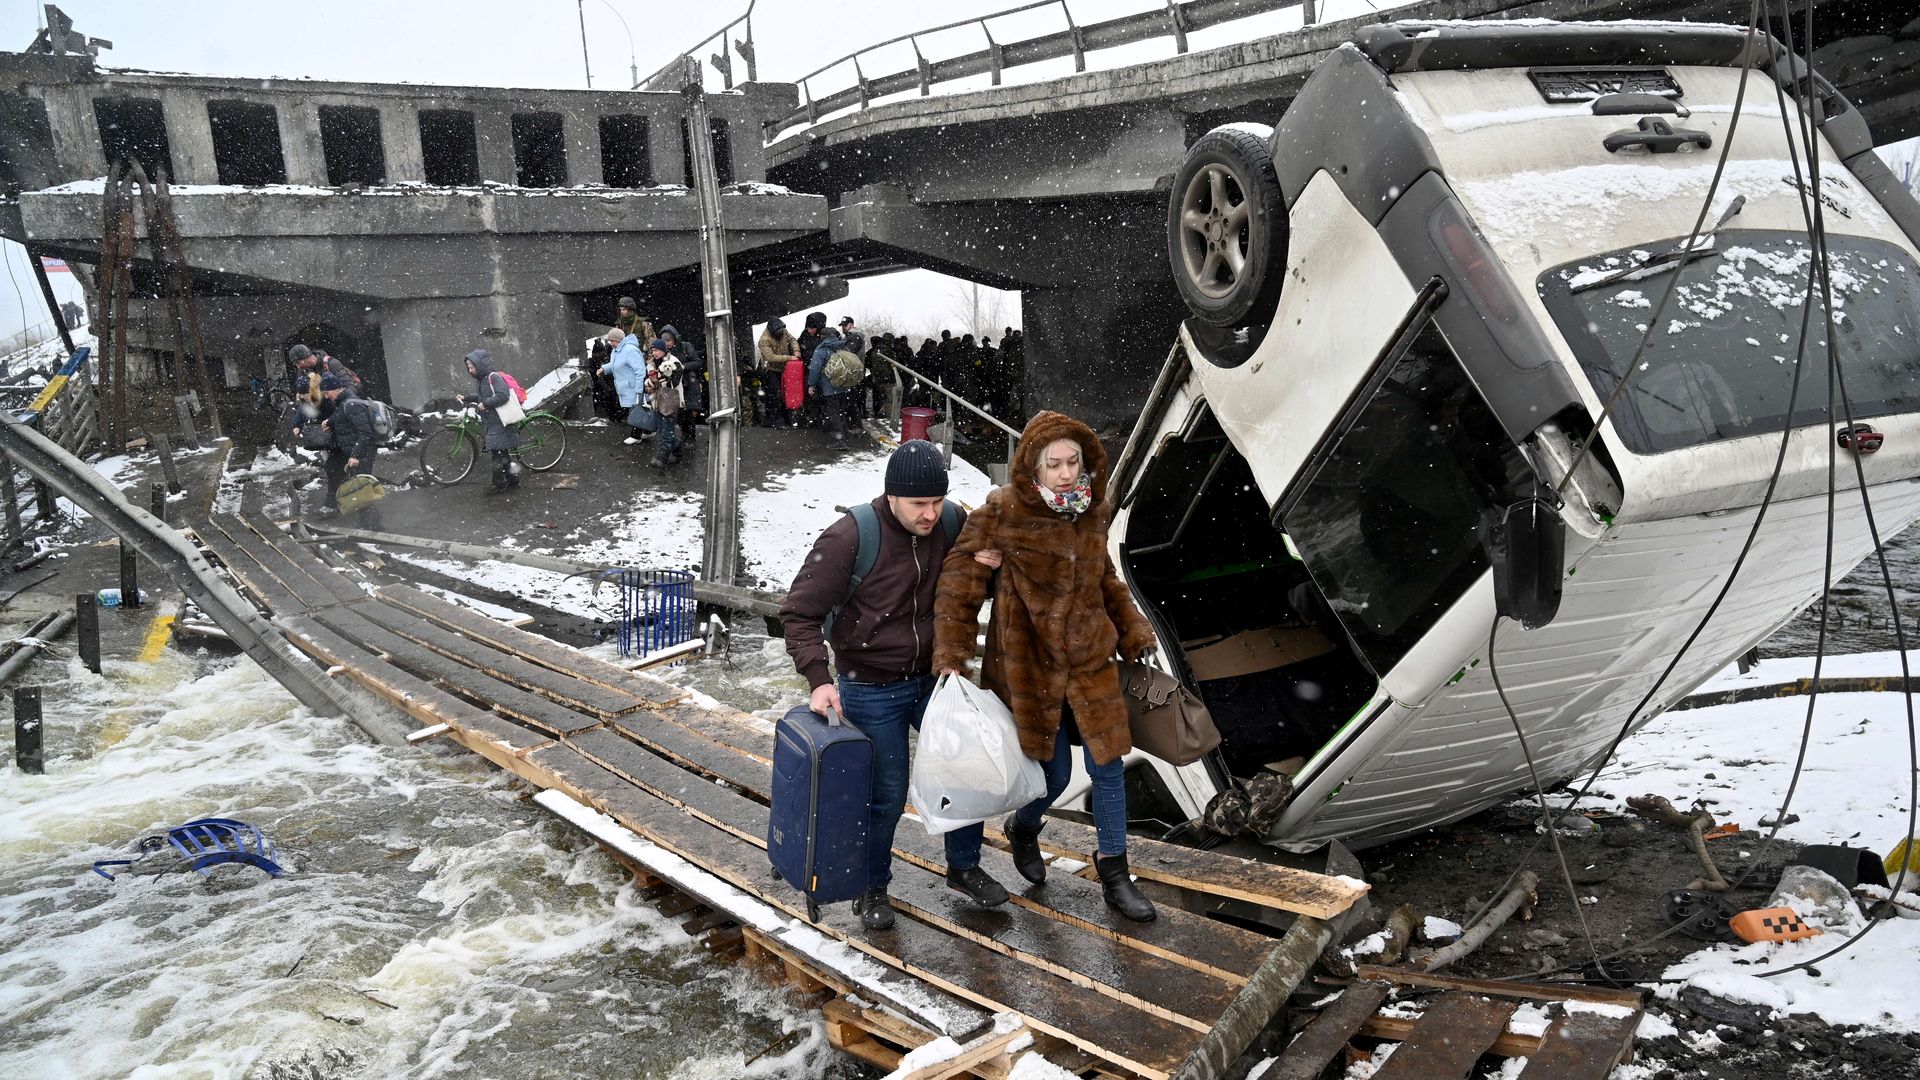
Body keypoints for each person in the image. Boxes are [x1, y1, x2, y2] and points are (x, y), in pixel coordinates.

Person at [931, 411, 1161, 922]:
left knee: (1108, 767)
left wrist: (1133, 628)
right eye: (1053, 463)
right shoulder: (1002, 511)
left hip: (1090, 665)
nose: (1064, 473)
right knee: (1051, 776)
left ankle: (1115, 871)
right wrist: (952, 654)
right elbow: (960, 585)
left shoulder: (1092, 511)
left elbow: (1105, 581)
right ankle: (1024, 827)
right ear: (1033, 467)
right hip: (1029, 669)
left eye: (1072, 462)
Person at [779, 441, 1012, 930]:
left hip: (936, 677)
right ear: (891, 497)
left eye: (937, 502)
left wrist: (991, 571)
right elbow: (799, 614)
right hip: (870, 685)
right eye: (918, 505)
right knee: (885, 792)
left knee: (965, 770)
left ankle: (964, 867)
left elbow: (965, 587)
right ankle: (872, 886)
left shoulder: (951, 522)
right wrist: (819, 679)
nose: (930, 514)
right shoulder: (850, 536)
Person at [295, 374, 374, 515]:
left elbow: (365, 433)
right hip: (344, 448)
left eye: (326, 393)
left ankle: (369, 520)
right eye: (323, 393)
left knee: (362, 486)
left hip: (360, 451)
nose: (325, 396)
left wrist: (356, 455)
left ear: (336, 389)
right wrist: (330, 422)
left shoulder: (352, 404)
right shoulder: (341, 402)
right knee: (332, 470)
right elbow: (340, 417)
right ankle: (331, 506)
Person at [462, 348, 522, 494]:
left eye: (471, 367)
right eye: (468, 368)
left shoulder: (493, 377)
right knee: (501, 452)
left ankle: (499, 482)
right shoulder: (481, 380)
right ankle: (512, 479)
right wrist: (466, 397)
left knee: (497, 453)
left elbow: (503, 395)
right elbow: (482, 396)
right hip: (493, 422)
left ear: (479, 366)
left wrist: (486, 404)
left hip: (500, 421)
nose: (469, 370)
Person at [807, 319, 859, 451]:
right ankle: (844, 437)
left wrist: (811, 385)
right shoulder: (843, 346)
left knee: (833, 413)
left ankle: (840, 440)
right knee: (841, 412)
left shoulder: (822, 350)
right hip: (844, 386)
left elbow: (815, 369)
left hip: (830, 389)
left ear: (823, 337)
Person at [658, 324, 704, 449]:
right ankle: (684, 436)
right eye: (664, 341)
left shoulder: (686, 346)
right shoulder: (663, 352)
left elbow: (697, 362)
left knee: (689, 412)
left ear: (674, 339)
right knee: (680, 413)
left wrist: (683, 367)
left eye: (669, 341)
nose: (667, 343)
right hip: (674, 385)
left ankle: (691, 438)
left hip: (688, 383)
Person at [601, 328, 648, 444]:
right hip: (624, 388)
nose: (611, 343)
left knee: (634, 411)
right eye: (610, 341)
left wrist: (639, 389)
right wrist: (604, 369)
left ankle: (636, 436)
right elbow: (614, 365)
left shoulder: (630, 350)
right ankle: (646, 431)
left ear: (619, 340)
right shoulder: (616, 350)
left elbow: (640, 370)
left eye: (613, 341)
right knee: (633, 410)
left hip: (632, 387)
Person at [643, 339, 684, 469]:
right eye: (653, 350)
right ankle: (677, 449)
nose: (654, 353)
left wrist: (658, 379)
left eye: (656, 350)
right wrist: (649, 386)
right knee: (662, 430)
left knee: (666, 431)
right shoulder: (651, 364)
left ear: (663, 350)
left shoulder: (674, 362)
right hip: (657, 401)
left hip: (670, 401)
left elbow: (675, 381)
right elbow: (648, 381)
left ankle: (662, 458)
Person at [756, 318, 800, 429]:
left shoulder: (783, 331)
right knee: (774, 395)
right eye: (779, 333)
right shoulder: (764, 340)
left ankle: (786, 419)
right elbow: (770, 357)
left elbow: (792, 339)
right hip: (770, 369)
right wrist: (790, 358)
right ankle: (775, 421)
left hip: (784, 368)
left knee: (786, 394)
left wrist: (796, 351)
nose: (782, 334)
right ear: (773, 332)